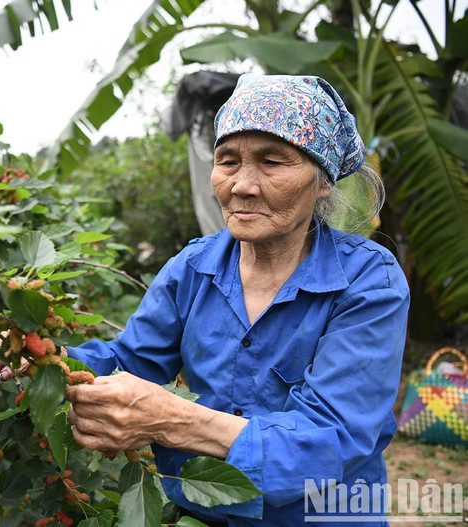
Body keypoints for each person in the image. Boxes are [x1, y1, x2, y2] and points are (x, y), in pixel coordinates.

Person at [63, 74, 410, 526]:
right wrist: (41, 361)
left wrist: (170, 419)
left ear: (322, 181)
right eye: (227, 160)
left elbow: (328, 440)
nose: (242, 184)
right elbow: (129, 363)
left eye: (272, 162)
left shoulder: (368, 281)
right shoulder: (193, 267)